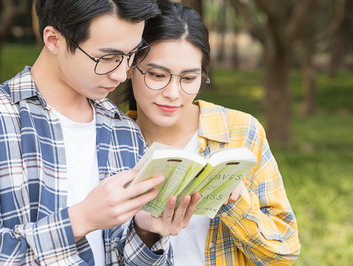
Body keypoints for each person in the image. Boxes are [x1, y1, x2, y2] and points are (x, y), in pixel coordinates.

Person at [0, 0, 199, 265]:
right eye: (108, 58)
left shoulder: (123, 130)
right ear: (54, 39)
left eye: (132, 55)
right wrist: (80, 219)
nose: (122, 73)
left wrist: (146, 233)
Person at [123, 0, 301, 264]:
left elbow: (283, 252)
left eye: (188, 78)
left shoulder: (241, 132)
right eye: (157, 75)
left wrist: (235, 201)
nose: (173, 94)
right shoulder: (110, 138)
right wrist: (145, 231)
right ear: (129, 66)